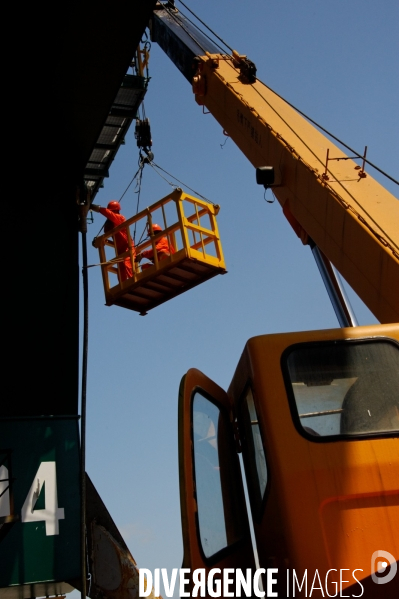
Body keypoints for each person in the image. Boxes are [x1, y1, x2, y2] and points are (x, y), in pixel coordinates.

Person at [91, 201, 135, 281]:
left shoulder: (119, 217)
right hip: (120, 249)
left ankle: (133, 282)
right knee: (121, 270)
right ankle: (123, 287)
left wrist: (95, 207)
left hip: (128, 247)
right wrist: (101, 241)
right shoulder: (112, 224)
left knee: (127, 263)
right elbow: (106, 231)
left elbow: (108, 213)